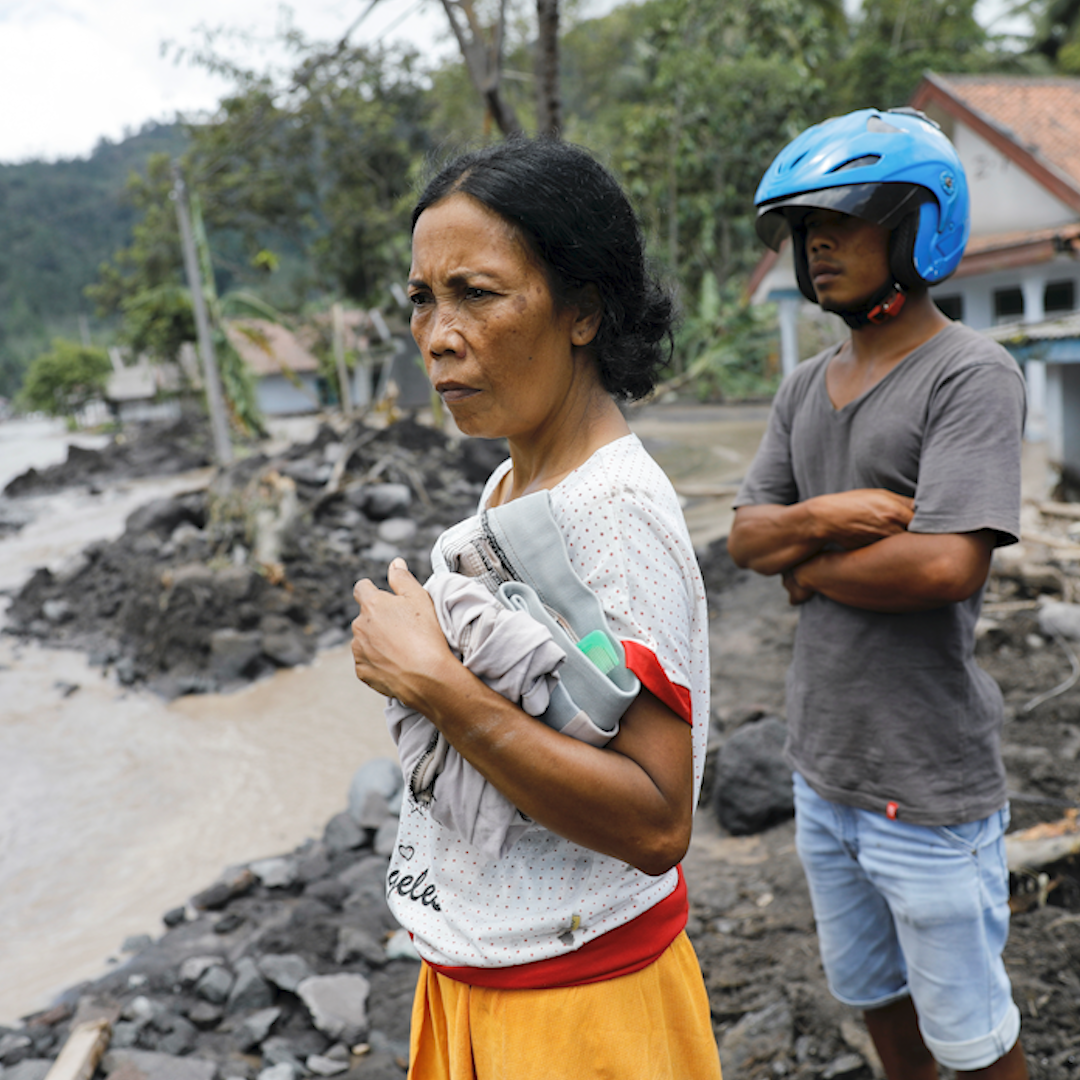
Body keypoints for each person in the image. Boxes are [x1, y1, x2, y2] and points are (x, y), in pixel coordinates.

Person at [350, 137, 721, 1080]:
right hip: (490, 968)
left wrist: (437, 684)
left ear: (584, 311)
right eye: (421, 299)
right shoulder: (517, 485)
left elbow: (655, 823)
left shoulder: (610, 513)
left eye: (477, 293)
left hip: (580, 1007)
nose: (437, 334)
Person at [728, 107, 1029, 1079]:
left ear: (917, 228)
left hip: (928, 787)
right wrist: (838, 515)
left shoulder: (969, 374)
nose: (815, 245)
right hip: (823, 771)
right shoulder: (802, 388)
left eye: (842, 221)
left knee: (974, 1039)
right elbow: (744, 536)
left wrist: (803, 565)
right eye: (801, 229)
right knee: (875, 1001)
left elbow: (947, 567)